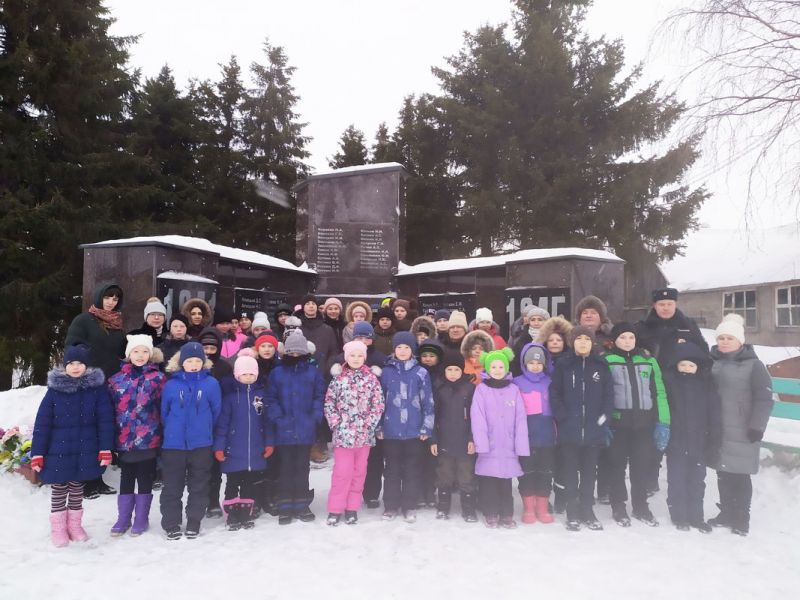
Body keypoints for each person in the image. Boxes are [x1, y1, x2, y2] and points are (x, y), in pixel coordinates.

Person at [31, 344, 114, 547]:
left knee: (77, 487)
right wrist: (38, 453)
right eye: (71, 363)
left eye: (80, 363)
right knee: (60, 488)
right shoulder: (54, 391)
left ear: (86, 366)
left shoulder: (97, 390)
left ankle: (75, 526)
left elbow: (105, 421)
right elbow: (43, 423)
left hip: (85, 447)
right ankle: (58, 528)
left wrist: (105, 448)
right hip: (58, 449)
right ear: (64, 366)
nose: (76, 367)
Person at [708, 314, 774, 536]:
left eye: (730, 338)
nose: (725, 342)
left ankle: (741, 518)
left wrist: (757, 426)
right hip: (718, 428)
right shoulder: (712, 361)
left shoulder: (754, 365)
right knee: (723, 472)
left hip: (743, 428)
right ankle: (726, 512)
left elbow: (764, 398)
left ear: (740, 341)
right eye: (721, 338)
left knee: (740, 474)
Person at [603, 322, 670, 527]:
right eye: (622, 338)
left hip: (644, 424)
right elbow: (603, 394)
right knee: (616, 466)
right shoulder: (607, 360)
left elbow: (659, 391)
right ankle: (618, 505)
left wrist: (663, 422)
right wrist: (604, 421)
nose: (627, 341)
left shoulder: (648, 361)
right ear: (614, 340)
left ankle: (641, 506)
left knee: (641, 466)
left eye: (630, 337)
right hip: (618, 424)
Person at [550, 326, 614, 531]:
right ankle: (572, 510)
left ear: (592, 342)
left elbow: (609, 394)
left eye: (587, 338)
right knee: (570, 472)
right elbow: (555, 393)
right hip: (570, 430)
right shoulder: (563, 364)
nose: (583, 342)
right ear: (572, 342)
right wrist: (562, 417)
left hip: (594, 431)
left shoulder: (601, 365)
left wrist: (604, 417)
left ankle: (587, 509)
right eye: (579, 339)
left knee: (589, 473)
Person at [64, 282, 125, 498]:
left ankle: (97, 478)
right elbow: (72, 347)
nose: (111, 302)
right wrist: (83, 367)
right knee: (87, 432)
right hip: (88, 383)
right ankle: (87, 482)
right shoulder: (83, 320)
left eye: (116, 299)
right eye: (108, 297)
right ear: (99, 297)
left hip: (109, 384)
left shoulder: (116, 324)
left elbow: (121, 352)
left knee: (101, 430)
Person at [160, 342, 222, 540]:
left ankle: (194, 520)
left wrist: (205, 432)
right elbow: (164, 413)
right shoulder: (170, 385)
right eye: (189, 361)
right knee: (172, 485)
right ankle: (171, 522)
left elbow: (216, 412)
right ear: (181, 363)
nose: (194, 364)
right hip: (174, 445)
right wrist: (172, 432)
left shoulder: (211, 384)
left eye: (198, 360)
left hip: (201, 444)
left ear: (204, 362)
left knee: (199, 484)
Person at [108, 335, 166, 537]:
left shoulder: (158, 379)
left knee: (145, 478)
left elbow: (163, 408)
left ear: (150, 355)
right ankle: (123, 518)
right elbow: (110, 410)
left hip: (149, 438)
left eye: (144, 352)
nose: (140, 355)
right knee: (126, 478)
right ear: (128, 354)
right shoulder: (116, 380)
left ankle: (141, 518)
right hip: (124, 439)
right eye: (136, 351)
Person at [266, 330, 326, 524]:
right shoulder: (277, 372)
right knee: (285, 468)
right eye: (291, 352)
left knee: (302, 467)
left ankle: (301, 503)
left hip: (304, 427)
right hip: (283, 429)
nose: (295, 356)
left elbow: (319, 395)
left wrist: (315, 416)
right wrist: (277, 417)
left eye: (299, 352)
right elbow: (271, 398)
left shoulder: (312, 372)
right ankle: (285, 504)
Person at [324, 341, 385, 525]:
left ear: (364, 357)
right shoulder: (338, 379)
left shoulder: (371, 379)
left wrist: (369, 424)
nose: (356, 359)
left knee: (359, 473)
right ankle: (335, 509)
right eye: (352, 355)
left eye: (360, 355)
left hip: (364, 436)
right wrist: (337, 424)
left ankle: (352, 508)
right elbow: (329, 403)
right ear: (346, 357)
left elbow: (378, 404)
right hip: (343, 437)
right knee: (342, 473)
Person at [663, 342, 722, 533]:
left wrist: (714, 439)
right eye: (683, 365)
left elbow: (714, 414)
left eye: (691, 366)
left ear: (698, 367)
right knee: (677, 479)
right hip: (677, 442)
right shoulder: (671, 384)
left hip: (699, 442)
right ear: (676, 365)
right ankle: (679, 515)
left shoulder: (706, 385)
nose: (687, 369)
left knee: (697, 481)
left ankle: (696, 516)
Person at [377, 332, 434, 523]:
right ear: (394, 349)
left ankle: (409, 505)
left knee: (412, 470)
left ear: (412, 350)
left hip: (414, 432)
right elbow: (379, 402)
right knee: (392, 470)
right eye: (399, 347)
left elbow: (428, 402)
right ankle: (391, 505)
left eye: (406, 347)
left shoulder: (421, 372)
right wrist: (379, 427)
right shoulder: (386, 372)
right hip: (391, 431)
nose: (402, 351)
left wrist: (426, 427)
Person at [214, 351, 275, 531]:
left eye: (251, 374)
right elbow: (222, 425)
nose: (248, 378)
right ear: (237, 375)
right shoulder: (231, 398)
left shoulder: (261, 396)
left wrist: (269, 442)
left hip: (254, 451)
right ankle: (232, 515)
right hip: (233, 451)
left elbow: (267, 422)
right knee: (232, 484)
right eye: (244, 374)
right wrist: (219, 447)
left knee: (249, 484)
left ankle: (245, 514)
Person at [471, 347, 529, 529]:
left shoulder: (514, 390)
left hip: (508, 445)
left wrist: (521, 445)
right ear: (487, 369)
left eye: (500, 367)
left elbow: (521, 419)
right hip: (489, 444)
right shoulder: (481, 390)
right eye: (493, 367)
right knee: (489, 481)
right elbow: (477, 416)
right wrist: (481, 442)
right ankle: (491, 512)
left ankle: (506, 514)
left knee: (505, 482)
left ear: (506, 369)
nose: (497, 370)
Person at [430, 350, 478, 522]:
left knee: (466, 475)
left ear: (462, 370)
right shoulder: (438, 387)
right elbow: (432, 416)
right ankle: (443, 506)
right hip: (444, 440)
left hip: (465, 441)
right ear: (444, 370)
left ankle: (469, 509)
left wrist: (473, 439)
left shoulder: (470, 388)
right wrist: (433, 440)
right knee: (445, 474)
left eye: (456, 370)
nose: (453, 373)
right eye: (449, 370)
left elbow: (477, 417)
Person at [512, 343, 556, 525]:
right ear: (524, 363)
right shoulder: (517, 383)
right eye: (531, 362)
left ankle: (543, 507)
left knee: (545, 473)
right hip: (526, 438)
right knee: (527, 473)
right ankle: (529, 508)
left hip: (547, 437)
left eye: (539, 362)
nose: (535, 366)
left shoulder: (551, 382)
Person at [635, 287, 709, 366]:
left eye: (669, 304)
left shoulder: (688, 325)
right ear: (655, 306)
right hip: (651, 374)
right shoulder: (641, 327)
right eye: (661, 304)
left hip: (679, 376)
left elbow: (703, 352)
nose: (666, 308)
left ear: (675, 305)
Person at [510, 306, 551, 375]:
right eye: (533, 320)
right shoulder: (522, 338)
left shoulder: (551, 337)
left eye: (540, 320)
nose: (536, 323)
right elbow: (515, 362)